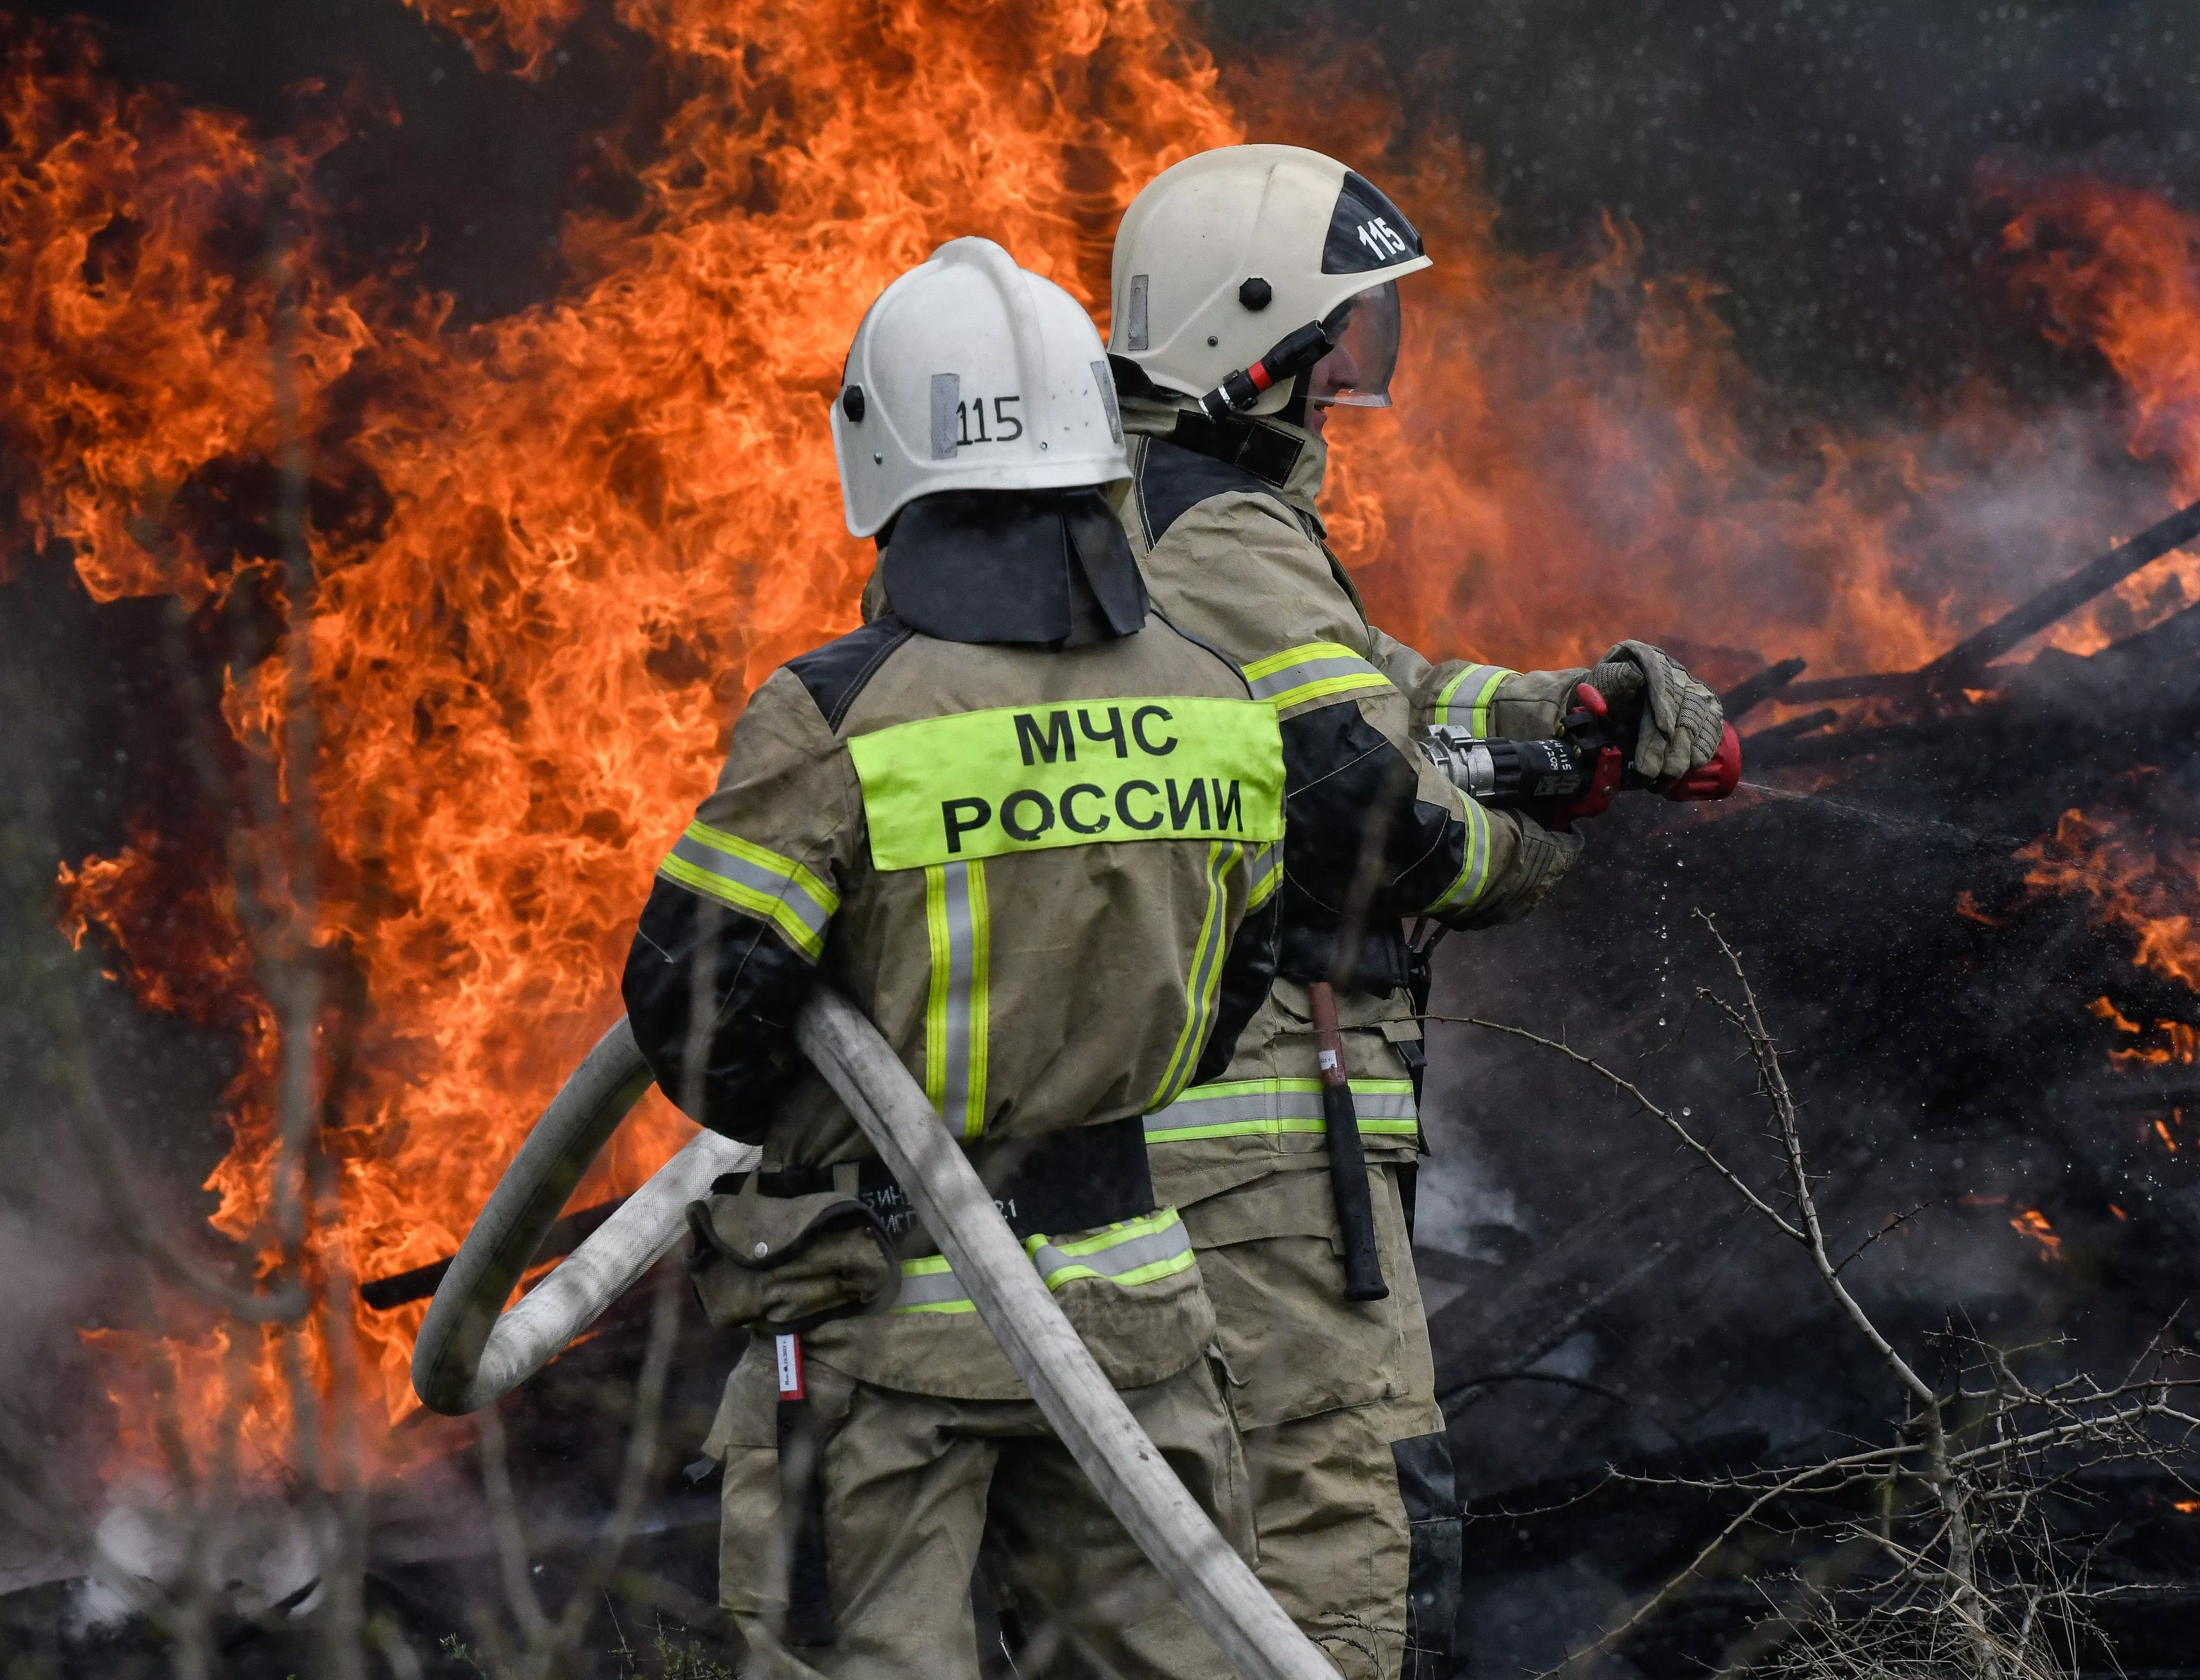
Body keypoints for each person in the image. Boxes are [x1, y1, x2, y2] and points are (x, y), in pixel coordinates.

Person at [1095, 143, 1729, 1678]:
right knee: (1347, 1531)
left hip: (1200, 1128)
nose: (1349, 385)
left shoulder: (1155, 514)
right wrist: (1547, 845)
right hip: (1258, 1136)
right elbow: (1373, 809)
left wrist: (1567, 708)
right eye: (1340, 344)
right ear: (1248, 343)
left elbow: (1381, 686)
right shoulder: (1215, 537)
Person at [622, 236, 1287, 1680]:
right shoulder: (1223, 701)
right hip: (1133, 1314)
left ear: (884, 455)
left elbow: (687, 1013)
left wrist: (827, 1097)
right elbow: (1238, 989)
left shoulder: (837, 717)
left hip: (875, 1341)